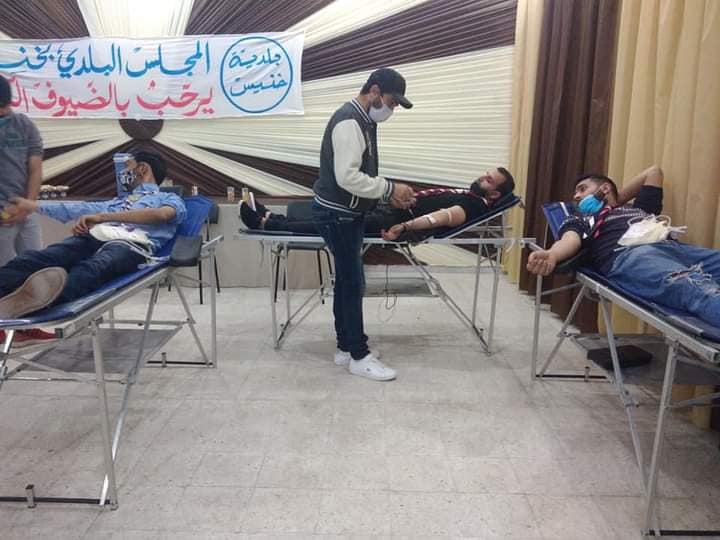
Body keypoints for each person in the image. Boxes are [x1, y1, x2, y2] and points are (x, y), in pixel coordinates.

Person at [0, 151, 187, 346]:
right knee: (37, 258)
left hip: (131, 245)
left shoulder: (169, 198)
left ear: (142, 168)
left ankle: (30, 304)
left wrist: (103, 217)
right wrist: (31, 205)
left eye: (127, 168)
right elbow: (74, 208)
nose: (123, 173)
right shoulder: (117, 202)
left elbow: (161, 215)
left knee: (91, 269)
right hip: (93, 238)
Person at [310, 68, 416, 381]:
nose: (392, 109)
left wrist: (386, 196)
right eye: (392, 102)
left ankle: (345, 348)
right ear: (374, 91)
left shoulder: (363, 120)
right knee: (352, 282)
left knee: (347, 281)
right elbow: (347, 177)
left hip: (345, 213)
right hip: (338, 214)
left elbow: (358, 176)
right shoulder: (349, 121)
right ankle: (358, 355)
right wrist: (389, 189)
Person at [527, 165, 720, 326]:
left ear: (604, 188)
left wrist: (614, 201)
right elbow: (570, 239)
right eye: (575, 193)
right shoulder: (580, 218)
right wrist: (552, 254)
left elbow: (653, 172)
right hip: (631, 255)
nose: (576, 196)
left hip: (676, 249)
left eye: (582, 189)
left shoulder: (640, 209)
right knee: (696, 287)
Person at [240, 167, 515, 240]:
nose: (482, 178)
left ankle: (267, 224)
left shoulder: (476, 205)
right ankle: (273, 219)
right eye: (485, 174)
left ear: (494, 196)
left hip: (391, 221)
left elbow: (444, 217)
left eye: (489, 180)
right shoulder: (470, 194)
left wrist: (404, 227)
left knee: (331, 226)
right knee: (333, 214)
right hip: (390, 210)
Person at [0, 74, 44, 265]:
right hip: (2, 216)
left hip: (26, 209)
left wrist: (28, 205)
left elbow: (35, 169)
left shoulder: (24, 125)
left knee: (37, 267)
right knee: (5, 273)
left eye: (4, 106)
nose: (2, 111)